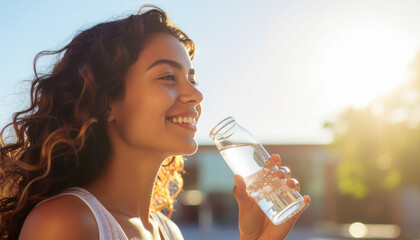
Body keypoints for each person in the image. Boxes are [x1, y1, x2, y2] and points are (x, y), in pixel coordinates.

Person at [0, 5, 310, 240]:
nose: (196, 94)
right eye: (167, 77)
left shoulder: (167, 230)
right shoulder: (66, 222)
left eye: (191, 78)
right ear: (106, 102)